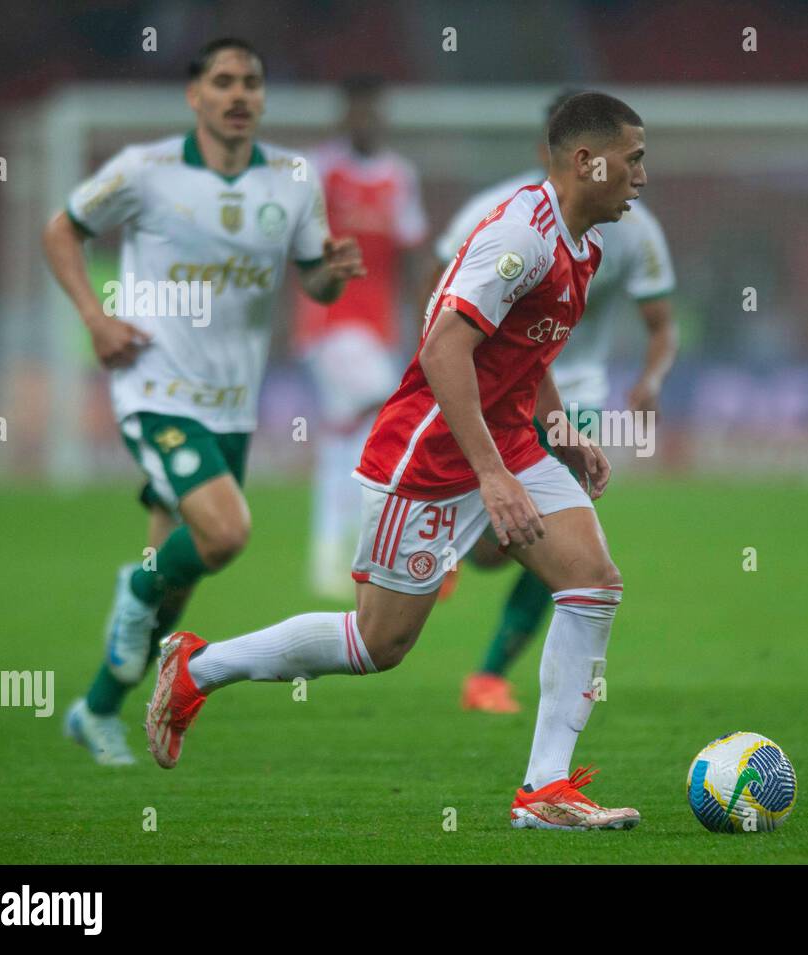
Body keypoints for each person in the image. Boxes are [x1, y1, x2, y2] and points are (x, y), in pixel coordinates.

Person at [146, 91, 647, 830]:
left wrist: (559, 430)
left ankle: (545, 790)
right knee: (377, 643)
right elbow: (445, 345)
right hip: (430, 456)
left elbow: (523, 346)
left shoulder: (583, 244)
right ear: (586, 160)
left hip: (505, 442)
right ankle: (196, 666)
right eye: (633, 160)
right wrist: (490, 472)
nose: (641, 175)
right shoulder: (524, 236)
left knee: (594, 585)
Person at [42, 38, 364, 765]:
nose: (239, 94)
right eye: (223, 82)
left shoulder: (290, 179)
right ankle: (133, 585)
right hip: (152, 384)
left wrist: (333, 277)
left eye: (251, 81)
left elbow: (314, 281)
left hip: (232, 405)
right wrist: (95, 319)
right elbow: (60, 228)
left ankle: (95, 709)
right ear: (195, 95)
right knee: (223, 534)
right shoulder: (145, 171)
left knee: (174, 592)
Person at [429, 90, 676, 714]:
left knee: (575, 559)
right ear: (570, 155)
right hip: (498, 394)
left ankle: (489, 677)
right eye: (632, 159)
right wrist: (431, 372)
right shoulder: (503, 220)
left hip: (574, 395)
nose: (640, 176)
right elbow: (443, 315)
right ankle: (447, 541)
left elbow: (661, 325)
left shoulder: (628, 233)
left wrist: (649, 381)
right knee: (499, 549)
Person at [294, 76, 428, 599]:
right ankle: (388, 545)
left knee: (346, 442)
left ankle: (332, 552)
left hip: (379, 328)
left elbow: (414, 251)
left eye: (373, 111)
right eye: (357, 111)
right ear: (344, 115)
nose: (365, 120)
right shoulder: (319, 168)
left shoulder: (399, 176)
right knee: (387, 407)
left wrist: (425, 319)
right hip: (329, 323)